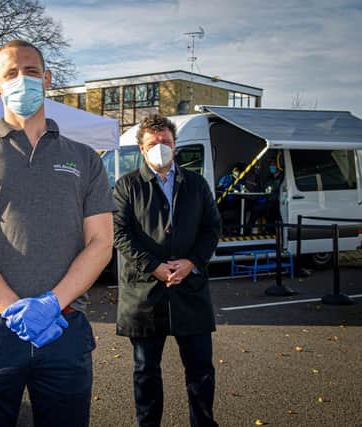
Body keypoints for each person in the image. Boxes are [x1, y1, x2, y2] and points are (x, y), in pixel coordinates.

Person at [0, 40, 116, 427]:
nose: (23, 80)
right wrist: (13, 309)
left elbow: (102, 242)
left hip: (65, 329)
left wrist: (51, 303)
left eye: (32, 72)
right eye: (11, 73)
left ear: (47, 79)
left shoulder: (84, 158)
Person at [113, 115, 221, 427]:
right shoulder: (127, 186)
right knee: (146, 370)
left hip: (190, 289)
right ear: (141, 149)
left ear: (175, 146)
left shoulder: (196, 184)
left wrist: (193, 262)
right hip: (145, 294)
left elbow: (212, 228)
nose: (161, 148)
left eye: (166, 143)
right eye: (153, 143)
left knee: (201, 368)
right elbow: (120, 234)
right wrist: (154, 267)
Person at [248, 156, 284, 229]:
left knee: (257, 209)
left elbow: (275, 190)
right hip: (268, 200)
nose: (271, 167)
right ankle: (248, 229)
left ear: (278, 166)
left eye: (273, 165)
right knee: (253, 205)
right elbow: (265, 189)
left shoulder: (282, 178)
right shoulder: (269, 178)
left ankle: (247, 230)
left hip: (276, 202)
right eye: (270, 165)